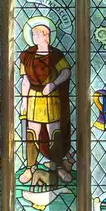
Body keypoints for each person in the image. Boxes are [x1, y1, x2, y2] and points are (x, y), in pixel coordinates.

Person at [17, 18, 72, 184]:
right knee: (32, 132)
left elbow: (66, 72)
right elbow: (25, 80)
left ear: (46, 36)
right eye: (33, 34)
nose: (35, 37)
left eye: (38, 34)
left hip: (51, 97)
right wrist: (24, 101)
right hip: (34, 97)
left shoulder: (56, 55)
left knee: (54, 132)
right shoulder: (27, 56)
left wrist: (54, 84)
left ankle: (58, 166)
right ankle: (30, 167)